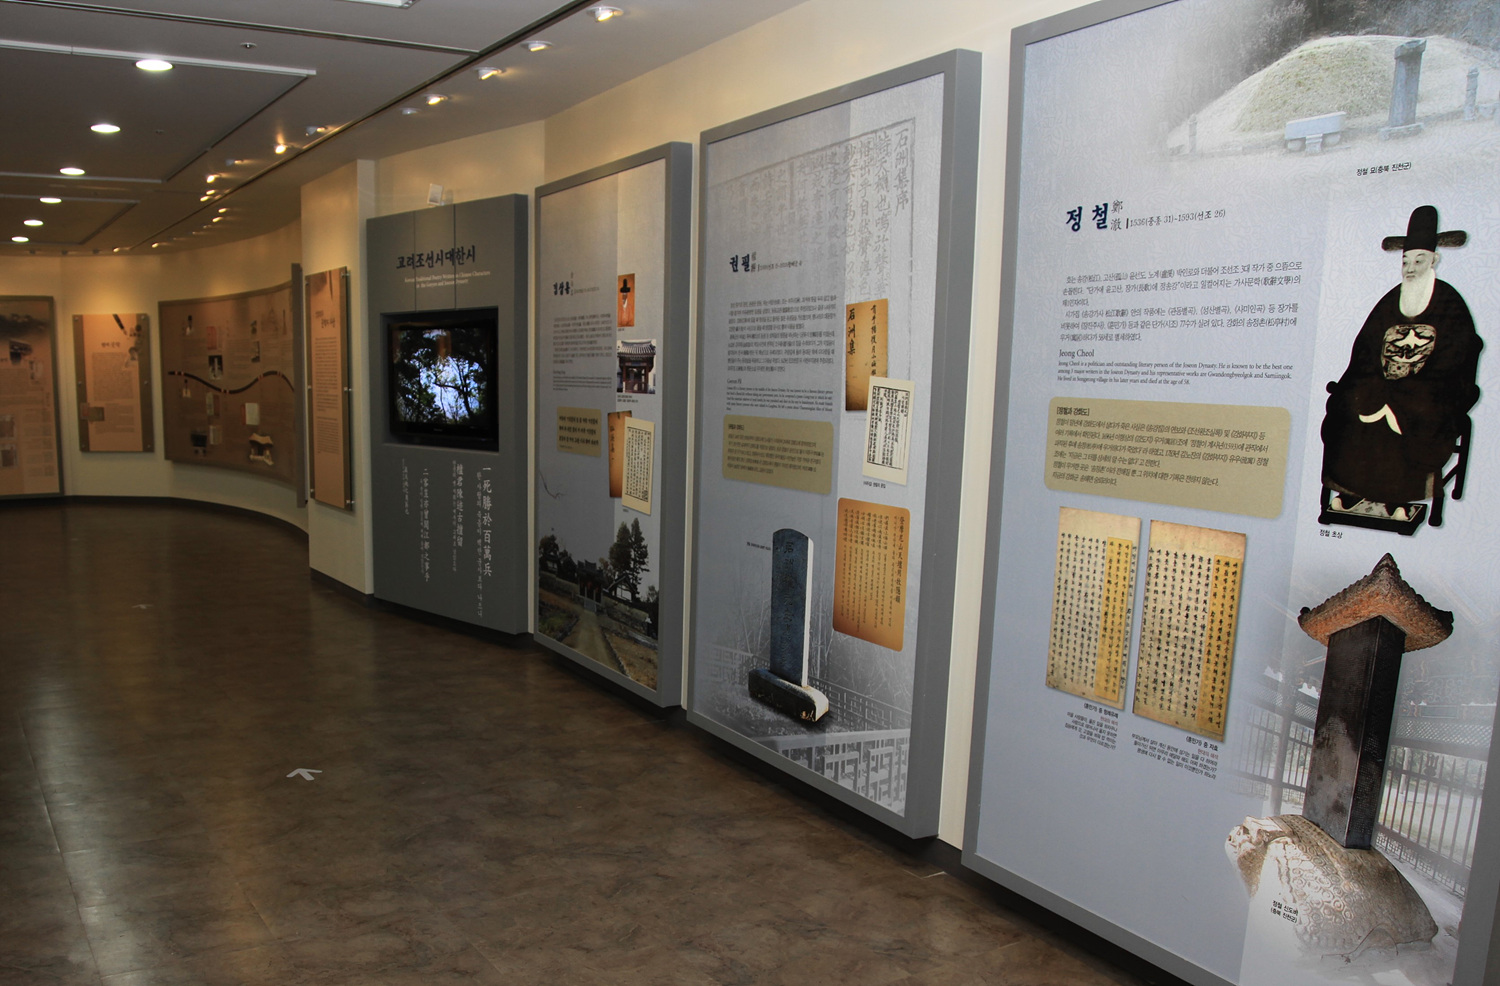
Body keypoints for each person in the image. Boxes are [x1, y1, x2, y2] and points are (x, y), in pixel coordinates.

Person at [1320, 206, 1481, 524]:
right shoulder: (1389, 301)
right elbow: (1365, 350)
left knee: (1410, 408)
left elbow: (1457, 358)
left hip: (1428, 391)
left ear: (1433, 260)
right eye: (1405, 261)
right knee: (1349, 402)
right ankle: (1350, 490)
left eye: (1418, 261)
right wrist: (1370, 384)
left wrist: (1409, 386)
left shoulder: (1450, 303)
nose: (1410, 268)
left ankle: (1400, 497)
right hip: (1379, 385)